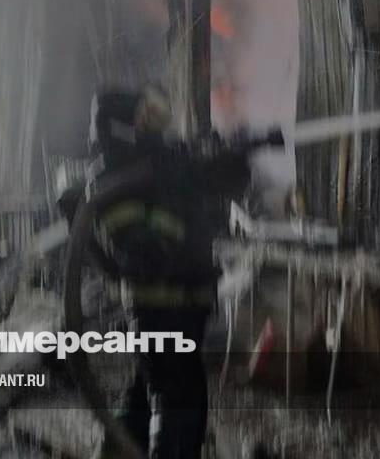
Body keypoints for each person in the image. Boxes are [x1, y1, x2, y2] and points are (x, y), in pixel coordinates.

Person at [67, 87, 256, 459]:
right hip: (159, 306)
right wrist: (174, 184)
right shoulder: (113, 174)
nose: (155, 122)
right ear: (123, 125)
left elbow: (226, 184)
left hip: (186, 304)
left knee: (154, 393)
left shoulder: (163, 161)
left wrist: (232, 156)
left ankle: (117, 452)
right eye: (145, 115)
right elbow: (145, 251)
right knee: (175, 400)